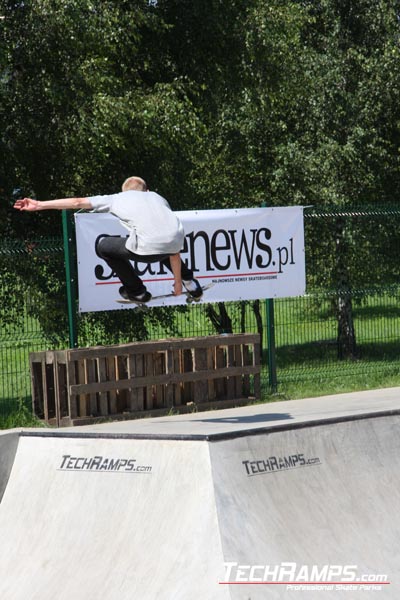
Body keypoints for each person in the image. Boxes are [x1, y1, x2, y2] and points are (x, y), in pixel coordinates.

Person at [13, 176, 202, 303]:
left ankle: (136, 291)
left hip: (148, 248)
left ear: (124, 191)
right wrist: (178, 283)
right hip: (171, 246)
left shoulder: (116, 198)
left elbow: (77, 202)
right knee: (161, 245)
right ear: (147, 190)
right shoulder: (158, 198)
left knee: (103, 246)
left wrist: (39, 204)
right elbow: (172, 250)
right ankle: (191, 283)